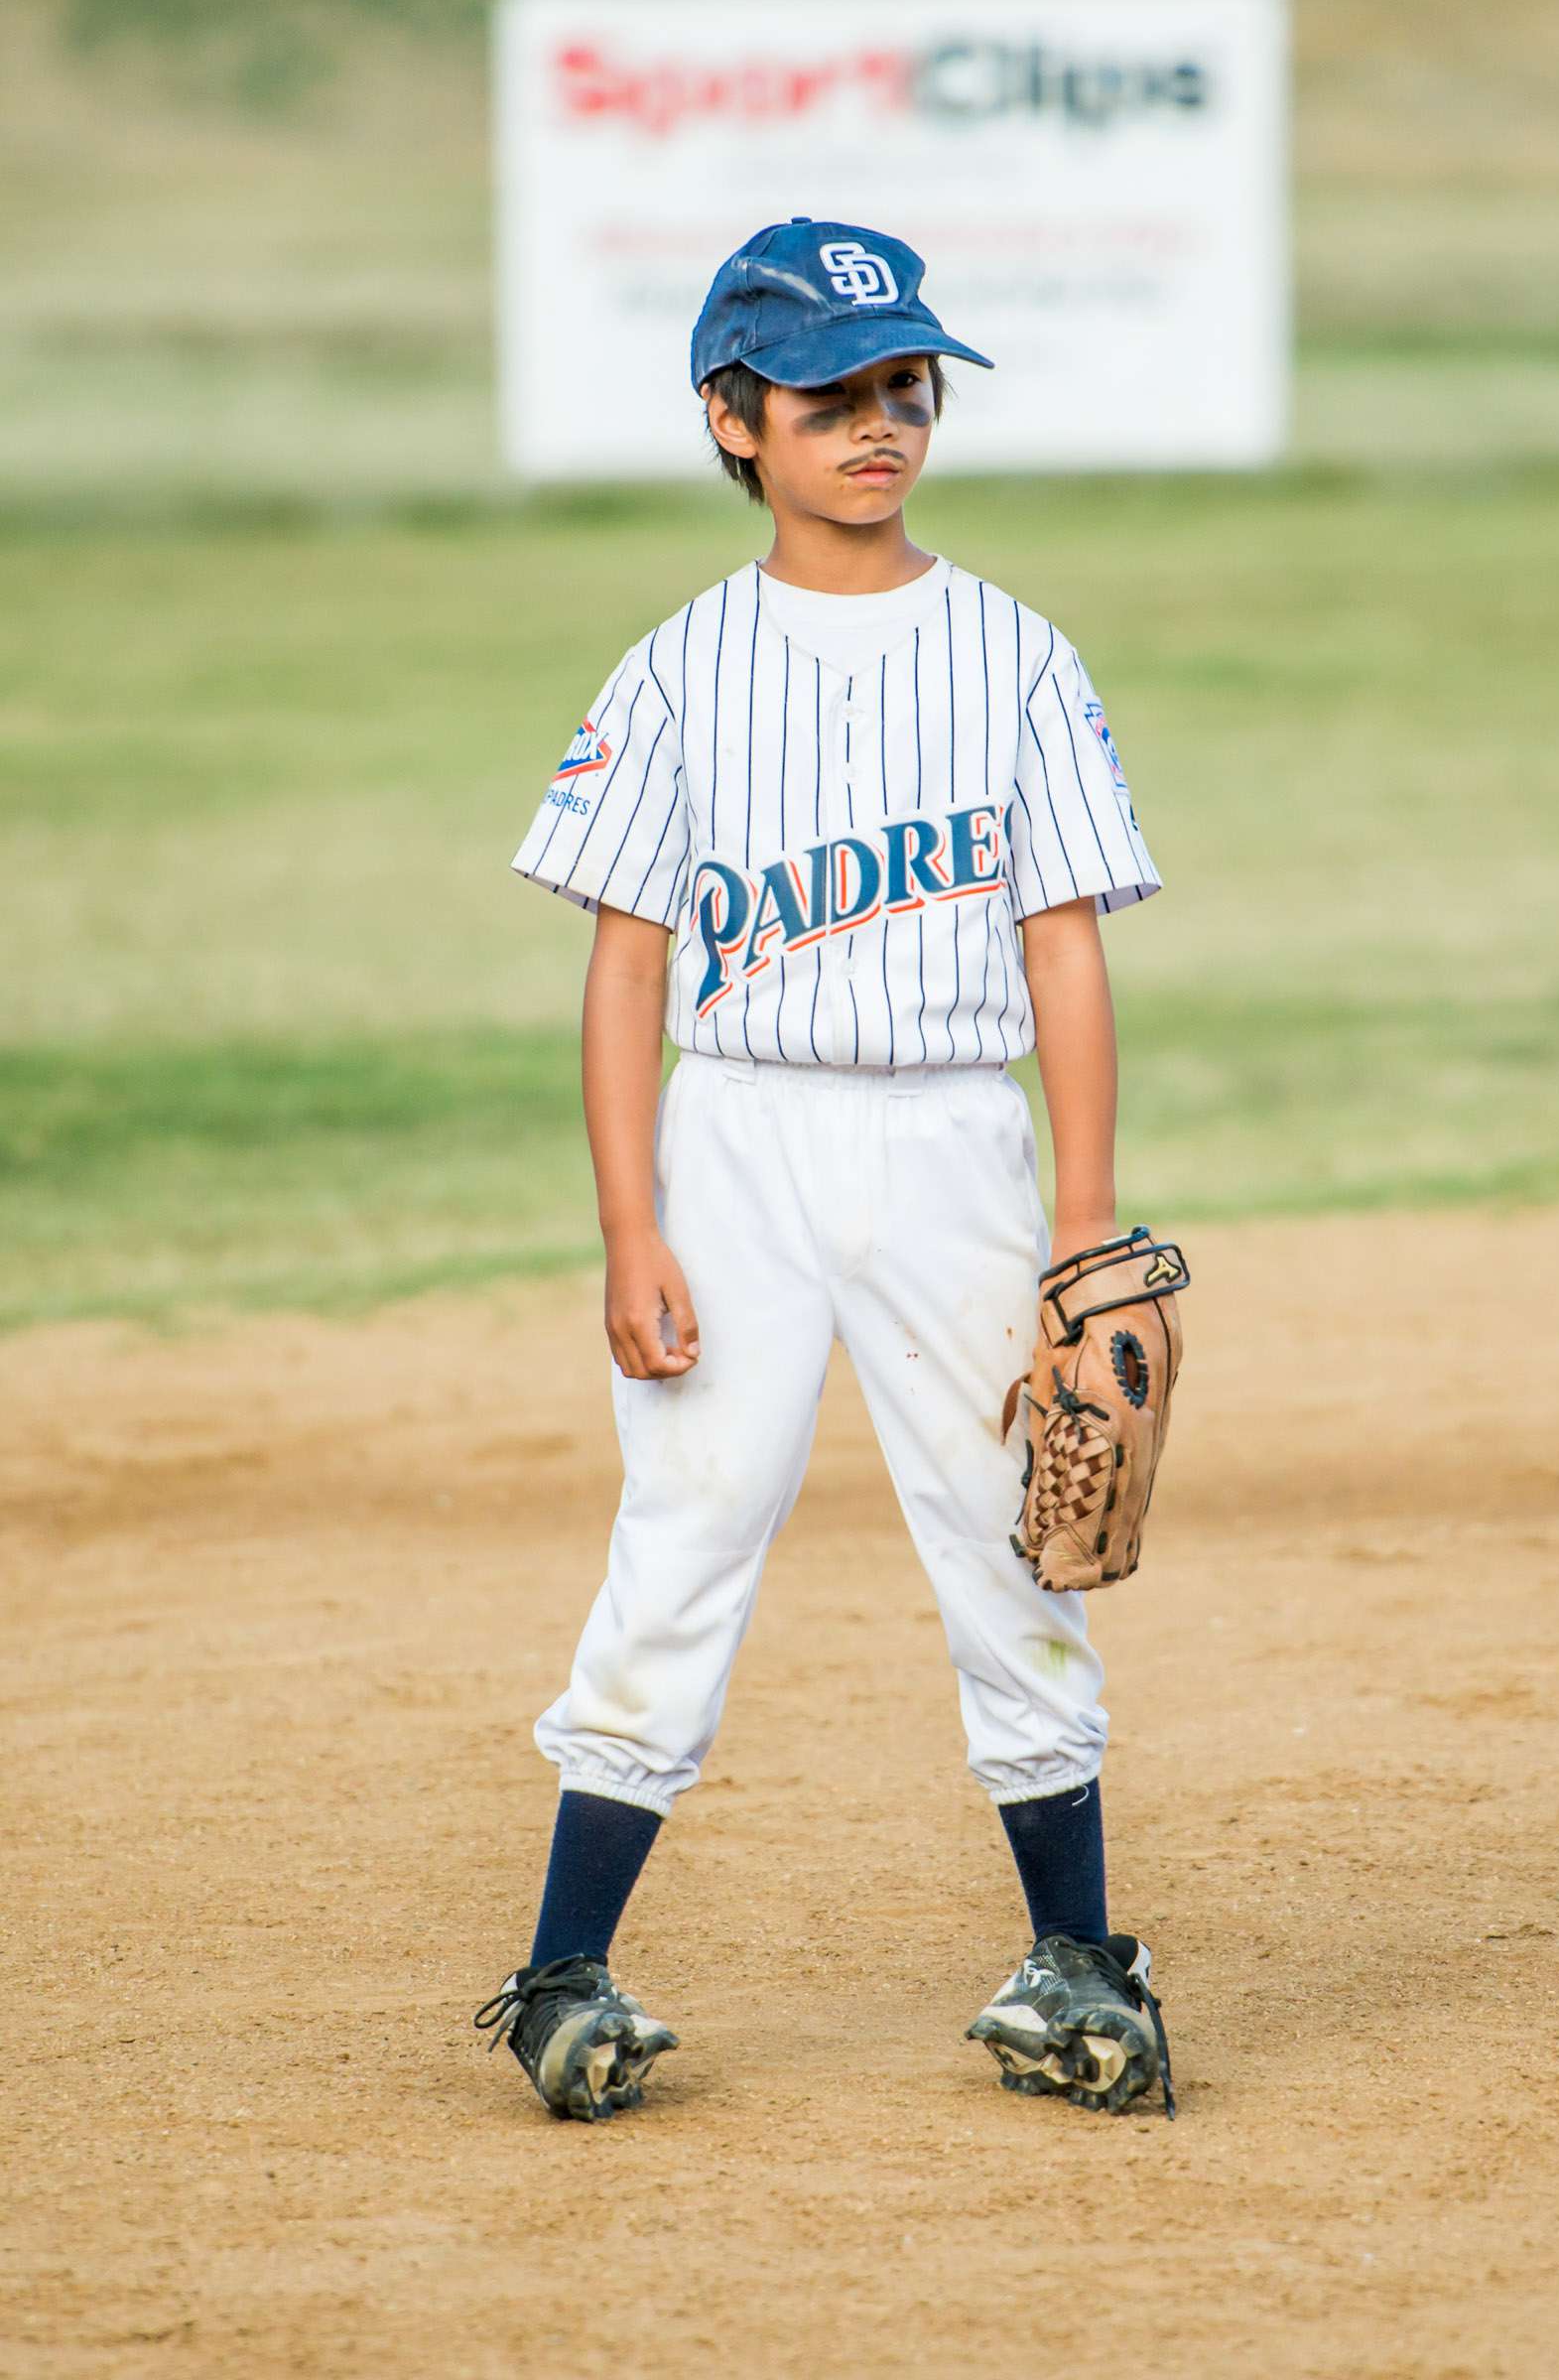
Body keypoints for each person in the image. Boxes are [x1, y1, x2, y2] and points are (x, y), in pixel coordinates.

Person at [473, 219, 1175, 2123]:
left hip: (958, 1133)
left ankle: (1075, 1962)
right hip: (743, 1137)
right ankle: (562, 1975)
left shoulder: (1017, 653)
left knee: (1014, 1536)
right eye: (832, 393)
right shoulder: (683, 667)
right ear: (733, 418)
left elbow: (1063, 945)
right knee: (687, 1534)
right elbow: (626, 965)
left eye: (905, 389)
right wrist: (632, 1225)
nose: (879, 425)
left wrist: (1086, 1218)